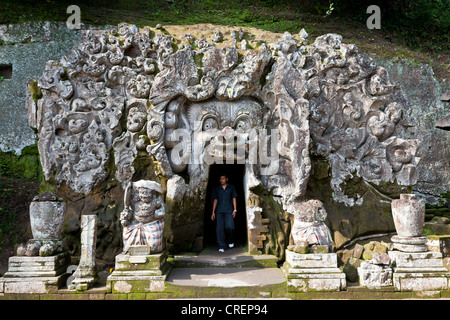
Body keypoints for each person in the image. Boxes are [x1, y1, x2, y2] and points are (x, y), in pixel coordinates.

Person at [211, 174, 237, 253]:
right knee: (219, 229)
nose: (221, 180)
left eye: (223, 179)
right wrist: (213, 212)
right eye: (220, 179)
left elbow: (234, 198)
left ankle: (230, 241)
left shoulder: (231, 187)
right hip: (219, 211)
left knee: (230, 227)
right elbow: (215, 200)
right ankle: (222, 246)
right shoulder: (217, 189)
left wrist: (235, 210)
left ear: (227, 179)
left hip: (229, 210)